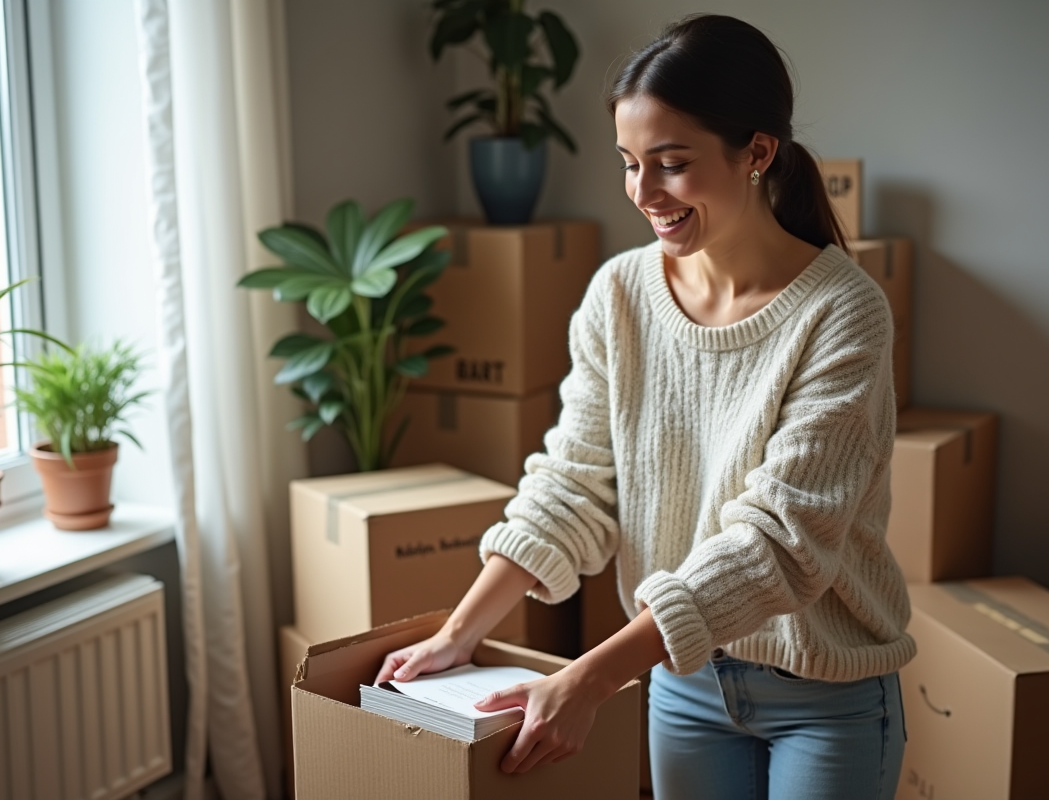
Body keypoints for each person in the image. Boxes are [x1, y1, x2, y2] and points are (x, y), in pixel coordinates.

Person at [375, 13, 915, 799]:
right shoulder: (619, 294)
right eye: (629, 164)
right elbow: (574, 484)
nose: (644, 193)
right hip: (683, 686)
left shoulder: (842, 313)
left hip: (823, 699)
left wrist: (591, 679)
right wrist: (460, 635)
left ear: (758, 152)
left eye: (671, 164)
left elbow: (781, 545)